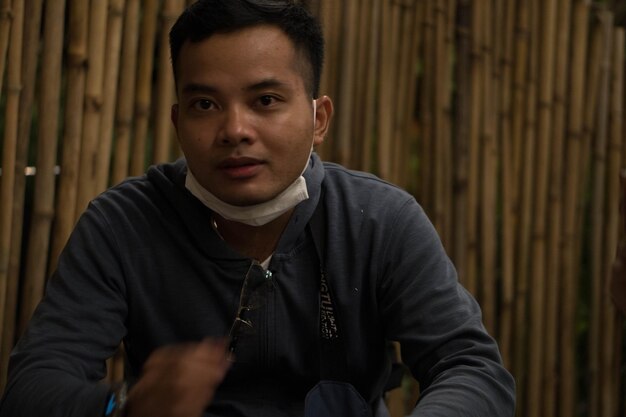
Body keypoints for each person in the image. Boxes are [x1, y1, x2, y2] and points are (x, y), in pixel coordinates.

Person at [0, 1, 516, 416]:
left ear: (319, 118)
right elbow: (33, 387)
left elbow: (470, 368)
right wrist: (123, 404)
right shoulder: (123, 225)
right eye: (206, 104)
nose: (235, 130)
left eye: (266, 100)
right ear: (178, 122)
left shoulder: (379, 220)